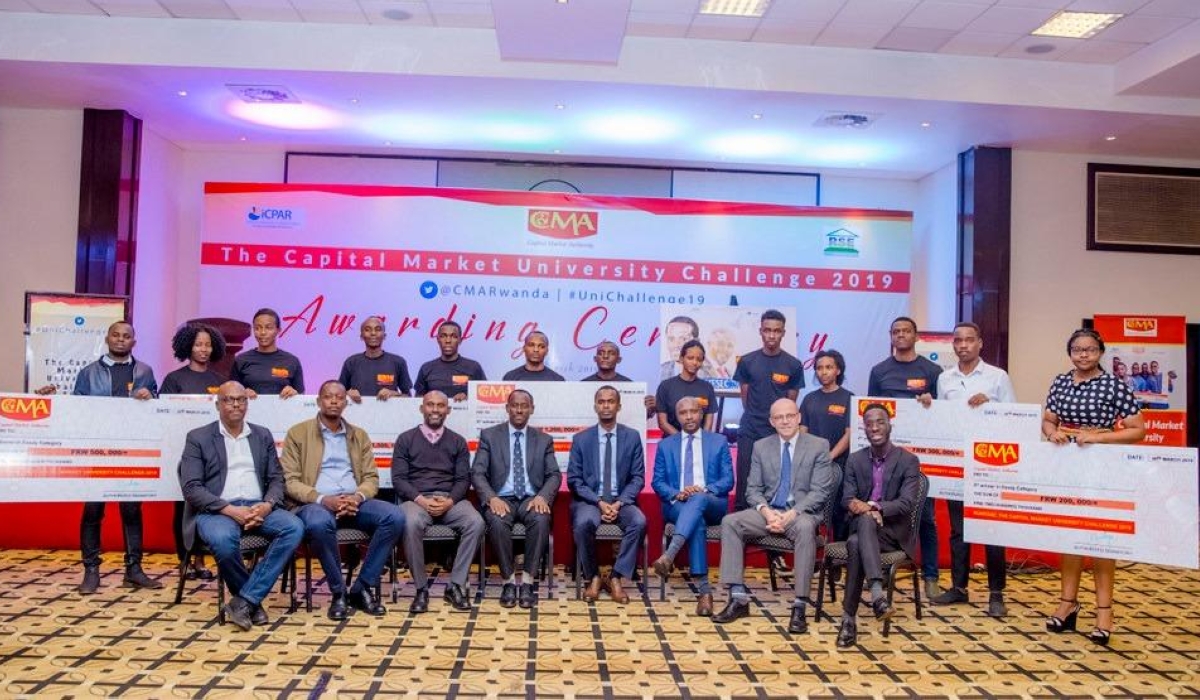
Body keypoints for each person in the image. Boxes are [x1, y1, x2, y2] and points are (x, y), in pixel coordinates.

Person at [1042, 328, 1145, 646]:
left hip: (1102, 466)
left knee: (1102, 540)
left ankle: (1104, 612)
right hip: (1067, 464)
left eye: (1089, 349)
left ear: (1100, 352)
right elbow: (1048, 419)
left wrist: (1098, 437)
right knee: (1070, 536)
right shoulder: (1060, 381)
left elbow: (1137, 430)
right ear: (1069, 352)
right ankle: (1067, 603)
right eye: (1076, 349)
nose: (1083, 355)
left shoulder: (1115, 385)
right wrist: (1051, 432)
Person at [178, 381, 305, 631]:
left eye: (241, 399)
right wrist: (229, 510)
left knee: (294, 527)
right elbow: (192, 487)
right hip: (217, 511)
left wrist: (267, 505)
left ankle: (244, 601)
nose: (236, 404)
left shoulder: (262, 434)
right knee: (224, 541)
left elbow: (276, 478)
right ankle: (252, 602)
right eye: (228, 399)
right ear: (217, 404)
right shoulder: (198, 438)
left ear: (247, 403)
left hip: (259, 508)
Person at [280, 381, 404, 619]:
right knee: (317, 523)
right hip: (315, 504)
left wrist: (357, 497)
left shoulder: (359, 435)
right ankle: (339, 593)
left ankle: (362, 587)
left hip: (354, 502)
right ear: (318, 402)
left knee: (395, 516)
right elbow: (290, 481)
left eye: (339, 397)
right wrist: (324, 499)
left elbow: (370, 478)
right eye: (328, 397)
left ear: (346, 402)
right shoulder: (298, 433)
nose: (334, 401)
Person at [712, 399, 834, 634]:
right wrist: (767, 513)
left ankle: (800, 605)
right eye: (779, 417)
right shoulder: (761, 446)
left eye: (790, 416)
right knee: (731, 522)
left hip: (800, 513)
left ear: (799, 417)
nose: (785, 421)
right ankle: (738, 598)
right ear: (771, 422)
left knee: (806, 528)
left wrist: (790, 515)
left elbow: (820, 492)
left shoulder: (818, 445)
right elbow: (752, 490)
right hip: (769, 511)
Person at [926, 322, 1016, 618]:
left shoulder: (997, 377)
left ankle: (996, 594)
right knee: (958, 530)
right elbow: (941, 419)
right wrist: (927, 406)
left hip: (990, 463)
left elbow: (1013, 419)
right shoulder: (944, 378)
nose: (963, 345)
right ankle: (959, 588)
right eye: (958, 341)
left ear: (980, 343)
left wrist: (991, 404)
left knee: (992, 530)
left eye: (969, 340)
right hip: (957, 463)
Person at [74, 321, 161, 594]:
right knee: (92, 511)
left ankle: (134, 570)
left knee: (132, 511)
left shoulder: (145, 371)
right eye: (116, 335)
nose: (121, 340)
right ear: (107, 338)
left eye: (127, 336)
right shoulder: (88, 373)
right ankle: (91, 570)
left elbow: (157, 410)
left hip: (132, 452)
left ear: (134, 341)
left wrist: (152, 397)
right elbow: (75, 410)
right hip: (97, 451)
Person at [866, 315, 943, 599]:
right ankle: (879, 571)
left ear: (916, 335)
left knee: (927, 518)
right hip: (887, 458)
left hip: (922, 456)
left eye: (906, 331)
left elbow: (942, 413)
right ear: (891, 335)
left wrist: (931, 403)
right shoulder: (879, 371)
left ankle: (931, 576)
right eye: (896, 331)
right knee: (884, 512)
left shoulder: (932, 370)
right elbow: (872, 411)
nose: (901, 335)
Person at [836, 403, 922, 648]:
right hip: (863, 526)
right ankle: (877, 596)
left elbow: (906, 503)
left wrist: (874, 508)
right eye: (869, 424)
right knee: (862, 524)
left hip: (891, 533)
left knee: (854, 544)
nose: (875, 427)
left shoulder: (908, 460)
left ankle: (848, 620)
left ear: (890, 426)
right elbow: (847, 499)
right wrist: (865, 510)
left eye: (880, 422)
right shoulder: (854, 460)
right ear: (864, 429)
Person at [392, 391, 485, 613]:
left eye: (441, 405)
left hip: (449, 500)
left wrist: (450, 501)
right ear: (421, 408)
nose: (435, 409)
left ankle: (455, 585)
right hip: (416, 499)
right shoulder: (405, 439)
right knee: (410, 523)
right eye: (430, 405)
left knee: (476, 521)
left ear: (448, 410)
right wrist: (421, 500)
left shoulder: (458, 441)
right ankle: (421, 588)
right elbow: (398, 479)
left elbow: (463, 479)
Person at [471, 389, 560, 609]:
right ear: (507, 408)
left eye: (524, 406)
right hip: (502, 498)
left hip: (531, 499)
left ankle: (528, 582)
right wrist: (491, 498)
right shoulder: (490, 436)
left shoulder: (544, 439)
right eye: (514, 405)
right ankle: (508, 582)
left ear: (531, 409)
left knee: (540, 519)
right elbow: (477, 473)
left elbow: (554, 475)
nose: (519, 410)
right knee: (497, 521)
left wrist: (542, 497)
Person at [651, 397, 734, 616]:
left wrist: (703, 491)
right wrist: (677, 493)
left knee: (698, 500)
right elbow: (657, 482)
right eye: (683, 412)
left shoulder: (718, 441)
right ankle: (705, 592)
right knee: (695, 519)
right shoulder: (665, 445)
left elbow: (728, 480)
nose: (689, 416)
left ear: (701, 414)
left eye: (693, 411)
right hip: (677, 505)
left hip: (712, 503)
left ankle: (670, 554)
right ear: (676, 417)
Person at [161, 322, 229, 583]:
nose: (203, 349)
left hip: (212, 454)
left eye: (208, 345)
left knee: (206, 506)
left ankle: (201, 560)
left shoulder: (220, 382)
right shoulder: (174, 379)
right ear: (187, 346)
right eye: (198, 344)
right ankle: (184, 560)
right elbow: (164, 416)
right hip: (182, 453)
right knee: (182, 509)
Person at [567, 385, 646, 604]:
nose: (606, 406)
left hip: (622, 500)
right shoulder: (581, 439)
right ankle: (592, 576)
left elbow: (638, 477)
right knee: (584, 523)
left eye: (611, 401)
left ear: (619, 406)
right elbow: (574, 480)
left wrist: (619, 503)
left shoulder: (632, 437)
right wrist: (599, 502)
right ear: (595, 406)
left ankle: (616, 577)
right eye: (601, 402)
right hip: (590, 500)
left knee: (638, 522)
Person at [732, 309, 805, 512]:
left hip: (778, 432)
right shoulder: (747, 361)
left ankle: (773, 519)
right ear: (760, 331)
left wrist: (779, 424)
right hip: (750, 429)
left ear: (783, 333)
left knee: (774, 478)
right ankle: (739, 520)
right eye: (767, 330)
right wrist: (757, 416)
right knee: (745, 478)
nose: (771, 335)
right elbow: (745, 397)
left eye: (776, 331)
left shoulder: (794, 365)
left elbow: (791, 402)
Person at [799, 349, 853, 540]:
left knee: (839, 512)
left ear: (838, 370)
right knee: (812, 512)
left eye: (828, 367)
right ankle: (813, 561)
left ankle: (835, 561)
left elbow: (850, 433)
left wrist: (830, 456)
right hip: (812, 466)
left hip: (840, 464)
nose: (824, 372)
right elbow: (802, 431)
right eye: (819, 368)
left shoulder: (849, 398)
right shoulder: (809, 399)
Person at [230, 308, 304, 398]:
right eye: (257, 328)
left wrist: (295, 394)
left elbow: (302, 397)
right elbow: (230, 394)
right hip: (248, 411)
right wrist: (241, 393)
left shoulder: (292, 361)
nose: (263, 332)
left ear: (278, 330)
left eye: (268, 328)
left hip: (283, 411)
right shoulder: (241, 360)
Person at [337, 316, 413, 403]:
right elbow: (338, 394)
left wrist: (393, 394)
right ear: (361, 336)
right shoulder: (351, 362)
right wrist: (347, 394)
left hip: (389, 415)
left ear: (384, 336)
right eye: (367, 329)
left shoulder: (398, 362)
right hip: (357, 415)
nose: (373, 333)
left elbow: (408, 397)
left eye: (378, 329)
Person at [655, 340, 717, 436]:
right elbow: (662, 423)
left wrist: (700, 441)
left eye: (699, 359)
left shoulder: (707, 388)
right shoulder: (665, 386)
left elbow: (708, 423)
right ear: (681, 358)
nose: (695, 362)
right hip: (672, 442)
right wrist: (683, 440)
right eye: (690, 358)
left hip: (699, 443)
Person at [414, 321, 487, 401]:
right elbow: (418, 400)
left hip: (465, 413)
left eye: (454, 336)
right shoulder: (426, 368)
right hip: (435, 412)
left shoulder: (474, 367)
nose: (448, 340)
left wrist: (468, 397)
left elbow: (485, 397)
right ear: (438, 340)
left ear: (460, 340)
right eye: (443, 336)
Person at [581, 341, 656, 416]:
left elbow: (635, 417)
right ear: (595, 358)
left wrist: (650, 410)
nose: (605, 356)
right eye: (601, 353)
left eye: (611, 353)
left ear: (619, 359)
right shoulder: (582, 385)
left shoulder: (630, 385)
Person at [659, 315, 713, 380]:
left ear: (696, 342)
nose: (676, 345)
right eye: (671, 339)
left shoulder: (708, 376)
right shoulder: (660, 370)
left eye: (683, 339)